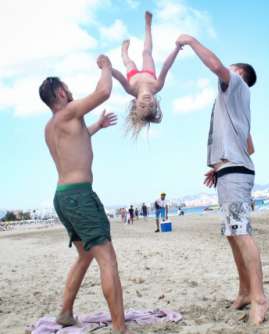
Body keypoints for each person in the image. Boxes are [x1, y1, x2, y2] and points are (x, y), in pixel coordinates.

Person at [176, 34, 269, 324]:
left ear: (239, 73)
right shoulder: (233, 103)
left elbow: (216, 66)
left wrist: (190, 41)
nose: (224, 74)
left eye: (230, 70)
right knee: (232, 235)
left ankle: (259, 297)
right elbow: (249, 147)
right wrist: (219, 167)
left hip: (236, 174)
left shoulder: (237, 85)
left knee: (241, 234)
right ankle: (244, 292)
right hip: (229, 173)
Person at [40, 55, 129, 333]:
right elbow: (103, 92)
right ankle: (119, 328)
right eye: (66, 88)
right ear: (60, 92)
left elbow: (75, 142)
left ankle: (65, 312)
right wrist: (105, 67)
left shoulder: (52, 126)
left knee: (85, 255)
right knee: (107, 258)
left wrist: (96, 128)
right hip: (79, 195)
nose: (70, 91)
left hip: (63, 196)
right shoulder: (69, 112)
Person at [112, 11, 181, 137]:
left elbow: (119, 77)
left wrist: (108, 68)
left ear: (135, 104)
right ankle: (148, 26)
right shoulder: (157, 86)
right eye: (151, 106)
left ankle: (123, 53)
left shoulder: (130, 89)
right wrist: (176, 49)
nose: (147, 103)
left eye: (142, 106)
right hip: (149, 73)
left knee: (129, 62)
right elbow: (166, 67)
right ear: (156, 103)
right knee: (146, 52)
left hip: (133, 75)